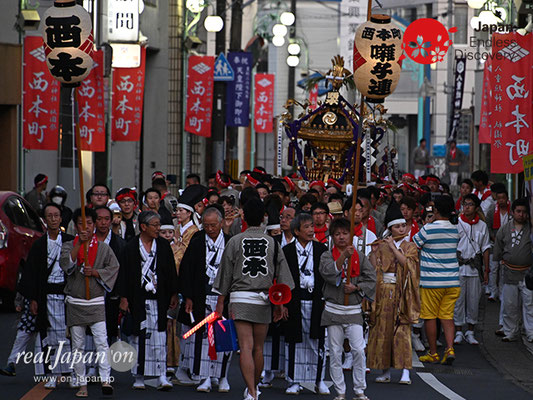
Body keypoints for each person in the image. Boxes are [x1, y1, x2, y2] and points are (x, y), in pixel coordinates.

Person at [213, 198, 295, 400]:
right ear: (264, 218)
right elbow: (283, 278)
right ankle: (255, 388)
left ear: (244, 217)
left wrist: (221, 301)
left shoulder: (235, 241)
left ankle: (250, 391)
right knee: (258, 348)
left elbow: (225, 274)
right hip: (263, 299)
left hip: (240, 298)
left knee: (245, 347)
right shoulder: (272, 244)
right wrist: (281, 304)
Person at [60, 206, 120, 396]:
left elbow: (114, 267)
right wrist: (79, 244)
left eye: (89, 224)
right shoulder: (70, 244)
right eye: (80, 224)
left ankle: (105, 380)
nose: (85, 228)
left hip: (95, 301)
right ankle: (82, 383)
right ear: (75, 226)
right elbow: (66, 265)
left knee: (102, 342)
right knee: (78, 345)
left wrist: (95, 272)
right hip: (76, 302)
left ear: (94, 225)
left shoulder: (103, 248)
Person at [11, 203, 73, 385]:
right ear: (44, 220)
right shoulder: (39, 245)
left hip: (67, 296)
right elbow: (31, 274)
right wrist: (33, 299)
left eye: (56, 215)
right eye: (50, 216)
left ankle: (70, 372)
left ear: (61, 218)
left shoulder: (70, 241)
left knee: (70, 335)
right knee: (49, 336)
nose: (54, 219)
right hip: (46, 296)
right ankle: (51, 374)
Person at [118, 211, 179, 390]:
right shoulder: (130, 247)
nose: (158, 229)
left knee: (160, 337)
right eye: (155, 225)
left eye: (159, 225)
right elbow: (124, 274)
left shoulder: (163, 246)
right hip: (138, 299)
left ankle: (161, 375)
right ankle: (138, 376)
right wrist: (123, 297)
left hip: (158, 299)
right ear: (143, 226)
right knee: (138, 337)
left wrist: (174, 293)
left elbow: (170, 272)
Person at [319, 218, 376, 400]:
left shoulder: (359, 256)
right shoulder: (327, 255)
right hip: (333, 309)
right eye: (337, 234)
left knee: (358, 349)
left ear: (350, 235)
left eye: (345, 233)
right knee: (335, 352)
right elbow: (327, 273)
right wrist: (343, 256)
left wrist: (357, 288)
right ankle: (340, 391)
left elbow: (371, 279)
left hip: (352, 310)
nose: (341, 237)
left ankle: (359, 389)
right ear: (332, 237)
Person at [178, 206, 233, 392]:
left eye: (213, 225)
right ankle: (205, 376)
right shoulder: (197, 240)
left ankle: (223, 376)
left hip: (223, 297)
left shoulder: (230, 241)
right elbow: (187, 269)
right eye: (206, 225)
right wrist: (188, 297)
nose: (209, 229)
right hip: (202, 296)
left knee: (224, 337)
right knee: (203, 339)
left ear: (221, 223)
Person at [367, 204, 420, 385]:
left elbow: (409, 266)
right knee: (382, 332)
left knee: (402, 333)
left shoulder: (410, 246)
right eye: (397, 226)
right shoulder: (381, 245)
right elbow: (375, 268)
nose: (401, 229)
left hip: (401, 293)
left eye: (403, 226)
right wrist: (374, 254)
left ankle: (405, 371)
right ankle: (385, 371)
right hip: (383, 293)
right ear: (390, 228)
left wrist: (393, 248)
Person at [282, 213, 329, 395]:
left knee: (317, 340)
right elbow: (282, 280)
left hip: (316, 300)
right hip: (294, 300)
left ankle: (319, 379)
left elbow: (326, 277)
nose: (311, 230)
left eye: (312, 226)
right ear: (296, 231)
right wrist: (282, 304)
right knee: (294, 341)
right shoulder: (286, 251)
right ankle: (294, 380)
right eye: (307, 227)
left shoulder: (320, 249)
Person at [413, 196, 460, 365]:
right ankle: (449, 348)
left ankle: (433, 353)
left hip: (432, 281)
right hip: (452, 281)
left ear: (436, 210)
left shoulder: (428, 229)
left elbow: (415, 243)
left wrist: (429, 222)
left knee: (430, 317)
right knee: (447, 316)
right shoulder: (456, 228)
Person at [493, 198, 533, 342]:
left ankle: (531, 332)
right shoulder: (505, 229)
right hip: (509, 272)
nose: (521, 215)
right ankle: (510, 331)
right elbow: (497, 247)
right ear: (513, 212)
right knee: (510, 304)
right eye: (518, 211)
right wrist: (498, 261)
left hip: (527, 273)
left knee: (529, 305)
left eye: (524, 212)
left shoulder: (531, 228)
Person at [453, 194, 490, 346]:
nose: (467, 207)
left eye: (470, 204)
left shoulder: (482, 225)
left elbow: (486, 248)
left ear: (476, 207)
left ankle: (470, 331)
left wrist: (486, 269)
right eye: (464, 204)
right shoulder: (456, 223)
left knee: (474, 301)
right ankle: (458, 331)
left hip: (474, 268)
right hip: (459, 267)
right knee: (458, 301)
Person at [94, 206, 127, 344]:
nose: (103, 223)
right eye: (99, 219)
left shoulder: (120, 244)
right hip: (91, 293)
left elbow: (124, 272)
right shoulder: (86, 241)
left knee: (110, 333)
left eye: (106, 219)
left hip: (112, 294)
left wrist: (123, 297)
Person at [486, 188, 511, 302]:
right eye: (499, 198)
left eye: (503, 198)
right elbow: (488, 226)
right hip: (494, 243)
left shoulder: (512, 211)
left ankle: (501, 293)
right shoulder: (492, 210)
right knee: (493, 268)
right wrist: (493, 237)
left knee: (503, 270)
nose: (501, 201)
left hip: (508, 244)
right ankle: (493, 291)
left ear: (507, 199)